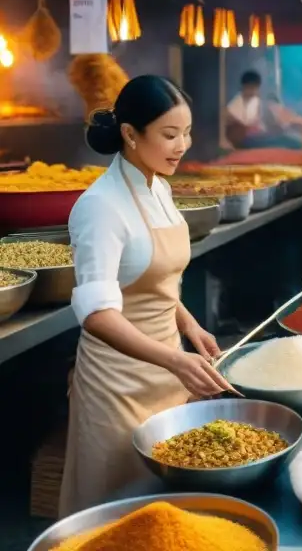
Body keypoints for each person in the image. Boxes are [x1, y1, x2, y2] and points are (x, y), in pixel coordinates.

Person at [61, 76, 234, 517]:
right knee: (113, 510)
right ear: (130, 134)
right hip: (116, 386)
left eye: (187, 133)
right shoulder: (100, 207)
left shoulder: (160, 187)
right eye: (170, 135)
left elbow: (153, 281)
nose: (183, 146)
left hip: (168, 374)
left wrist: (190, 327)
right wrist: (175, 359)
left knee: (163, 512)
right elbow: (97, 314)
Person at [225, 70, 302, 149]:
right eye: (251, 87)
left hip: (260, 136)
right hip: (248, 139)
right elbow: (240, 126)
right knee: (287, 140)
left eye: (255, 88)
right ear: (245, 86)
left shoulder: (258, 101)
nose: (253, 91)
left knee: (291, 138)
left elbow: (274, 121)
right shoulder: (235, 104)